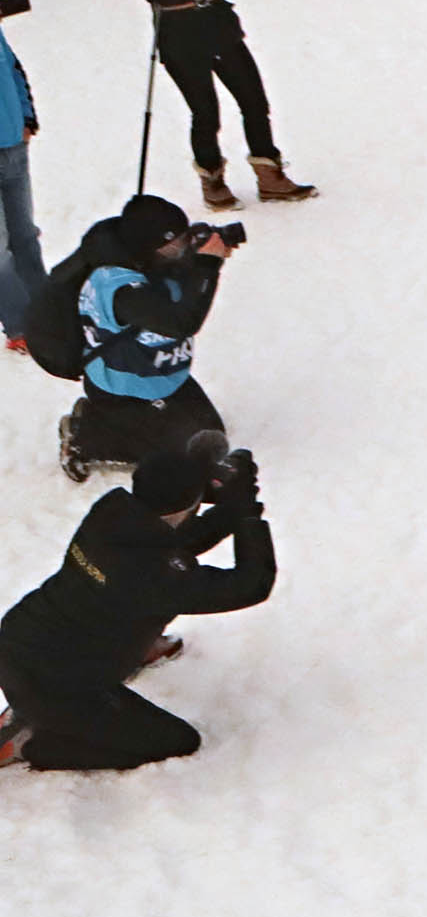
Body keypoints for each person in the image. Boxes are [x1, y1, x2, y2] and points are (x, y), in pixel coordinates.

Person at [0, 427, 274, 774]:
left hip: (20, 638)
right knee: (176, 741)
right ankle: (33, 742)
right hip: (59, 685)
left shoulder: (112, 511)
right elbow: (251, 584)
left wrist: (233, 510)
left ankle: (38, 704)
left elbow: (178, 540)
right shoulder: (154, 576)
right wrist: (247, 516)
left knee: (112, 612)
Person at [120, 0, 310, 210]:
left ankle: (270, 174)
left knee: (254, 99)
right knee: (205, 111)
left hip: (218, 25)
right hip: (179, 33)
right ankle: (212, 178)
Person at [56, 194, 238, 478]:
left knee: (211, 438)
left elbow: (180, 285)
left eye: (185, 238)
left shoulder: (154, 262)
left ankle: (114, 420)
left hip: (158, 375)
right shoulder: (122, 289)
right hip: (123, 386)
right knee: (185, 458)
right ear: (148, 248)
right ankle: (84, 437)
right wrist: (207, 266)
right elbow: (181, 322)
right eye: (174, 245)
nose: (182, 249)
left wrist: (203, 253)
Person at [0, 8, 38, 339]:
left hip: (13, 147)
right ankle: (20, 327)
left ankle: (48, 311)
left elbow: (13, 69)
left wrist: (27, 119)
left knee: (25, 236)